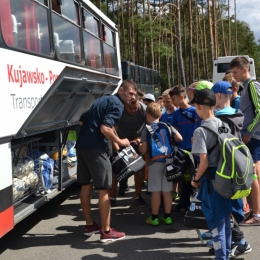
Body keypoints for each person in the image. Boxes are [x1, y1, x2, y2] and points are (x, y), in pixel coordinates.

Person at [75, 79, 137, 242]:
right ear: (121, 90)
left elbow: (81, 120)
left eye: (134, 95)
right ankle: (106, 231)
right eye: (130, 93)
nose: (132, 97)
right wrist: (121, 141)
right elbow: (105, 128)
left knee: (85, 186)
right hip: (96, 148)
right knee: (104, 189)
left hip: (82, 146)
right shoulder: (117, 104)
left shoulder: (103, 99)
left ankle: (89, 226)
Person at [208, 81, 251, 257]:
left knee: (225, 209)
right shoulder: (239, 114)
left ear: (217, 96)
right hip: (238, 167)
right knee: (231, 207)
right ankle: (234, 241)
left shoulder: (219, 119)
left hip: (224, 169)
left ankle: (239, 241)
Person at [191, 88, 234, 259]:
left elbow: (204, 162)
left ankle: (221, 257)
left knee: (216, 223)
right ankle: (227, 254)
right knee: (225, 220)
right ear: (214, 105)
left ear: (199, 106)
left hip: (212, 180)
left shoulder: (200, 131)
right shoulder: (223, 125)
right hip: (226, 178)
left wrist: (195, 179)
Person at [139, 102, 182, 225]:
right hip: (169, 161)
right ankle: (167, 217)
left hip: (154, 162)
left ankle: (154, 218)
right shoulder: (167, 125)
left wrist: (140, 146)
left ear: (147, 115)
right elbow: (179, 138)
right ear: (160, 114)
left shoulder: (146, 129)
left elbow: (144, 149)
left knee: (156, 191)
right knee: (167, 191)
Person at [230, 56, 260, 226]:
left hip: (254, 136)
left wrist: (249, 132)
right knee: (253, 172)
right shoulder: (246, 87)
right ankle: (255, 210)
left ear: (245, 70)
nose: (234, 76)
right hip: (251, 135)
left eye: (235, 72)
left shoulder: (253, 86)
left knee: (252, 174)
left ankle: (256, 214)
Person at [109, 98, 147, 206]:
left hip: (136, 143)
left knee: (138, 169)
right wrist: (118, 152)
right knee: (116, 170)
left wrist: (140, 138)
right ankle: (112, 197)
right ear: (125, 105)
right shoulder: (119, 111)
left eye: (135, 108)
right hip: (120, 141)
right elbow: (112, 132)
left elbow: (149, 127)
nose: (133, 110)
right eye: (130, 108)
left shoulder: (143, 109)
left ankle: (138, 196)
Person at [169, 85, 200, 213]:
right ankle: (183, 201)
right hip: (181, 151)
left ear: (182, 97)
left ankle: (192, 203)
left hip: (193, 150)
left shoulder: (194, 111)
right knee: (183, 178)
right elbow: (175, 130)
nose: (172, 102)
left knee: (193, 178)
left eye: (174, 99)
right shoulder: (176, 114)